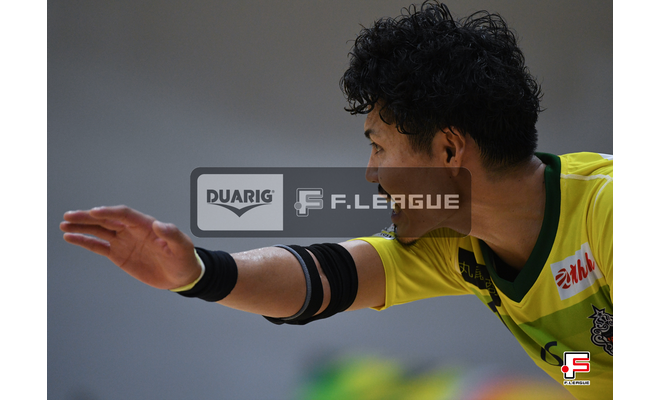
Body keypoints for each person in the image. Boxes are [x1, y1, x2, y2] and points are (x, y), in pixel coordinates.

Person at [60, 2, 612, 399]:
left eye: (379, 147)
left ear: (448, 149)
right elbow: (326, 277)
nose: (371, 173)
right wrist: (199, 273)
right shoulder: (456, 241)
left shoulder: (603, 213)